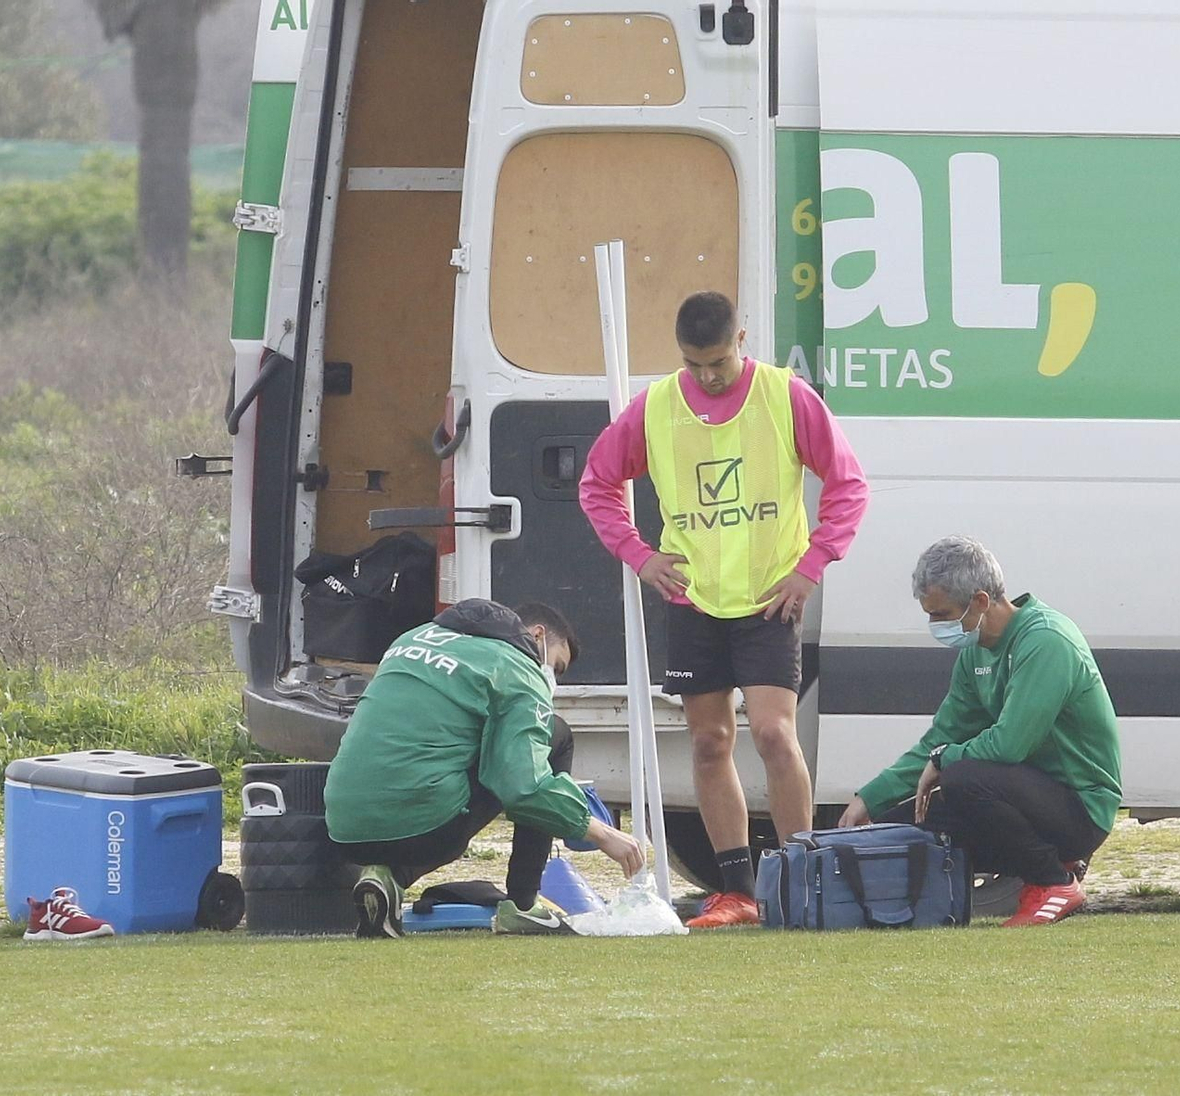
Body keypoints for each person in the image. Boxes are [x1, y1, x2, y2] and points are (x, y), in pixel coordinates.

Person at [580, 290, 869, 928]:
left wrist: (809, 567)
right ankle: (737, 889)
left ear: (743, 339)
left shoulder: (785, 396)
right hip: (693, 600)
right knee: (710, 743)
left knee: (773, 733)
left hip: (769, 599)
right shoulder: (655, 407)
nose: (707, 376)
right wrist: (639, 554)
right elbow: (598, 481)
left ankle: (799, 878)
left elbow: (848, 483)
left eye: (717, 362)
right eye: (694, 364)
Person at [836, 536, 1122, 927]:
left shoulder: (1046, 641)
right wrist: (869, 800)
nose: (936, 626)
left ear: (982, 601)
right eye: (930, 615)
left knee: (965, 777)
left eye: (942, 614)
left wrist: (944, 759)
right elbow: (940, 739)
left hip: (1081, 808)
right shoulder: (975, 651)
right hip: (1027, 799)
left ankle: (1054, 881)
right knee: (908, 824)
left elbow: (1008, 745)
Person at [324, 599, 644, 938]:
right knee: (554, 736)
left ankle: (385, 878)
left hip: (343, 829)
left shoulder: (412, 638)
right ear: (537, 636)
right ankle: (522, 906)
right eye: (558, 666)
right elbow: (524, 784)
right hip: (425, 830)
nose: (554, 678)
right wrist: (602, 833)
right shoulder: (517, 666)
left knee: (466, 752)